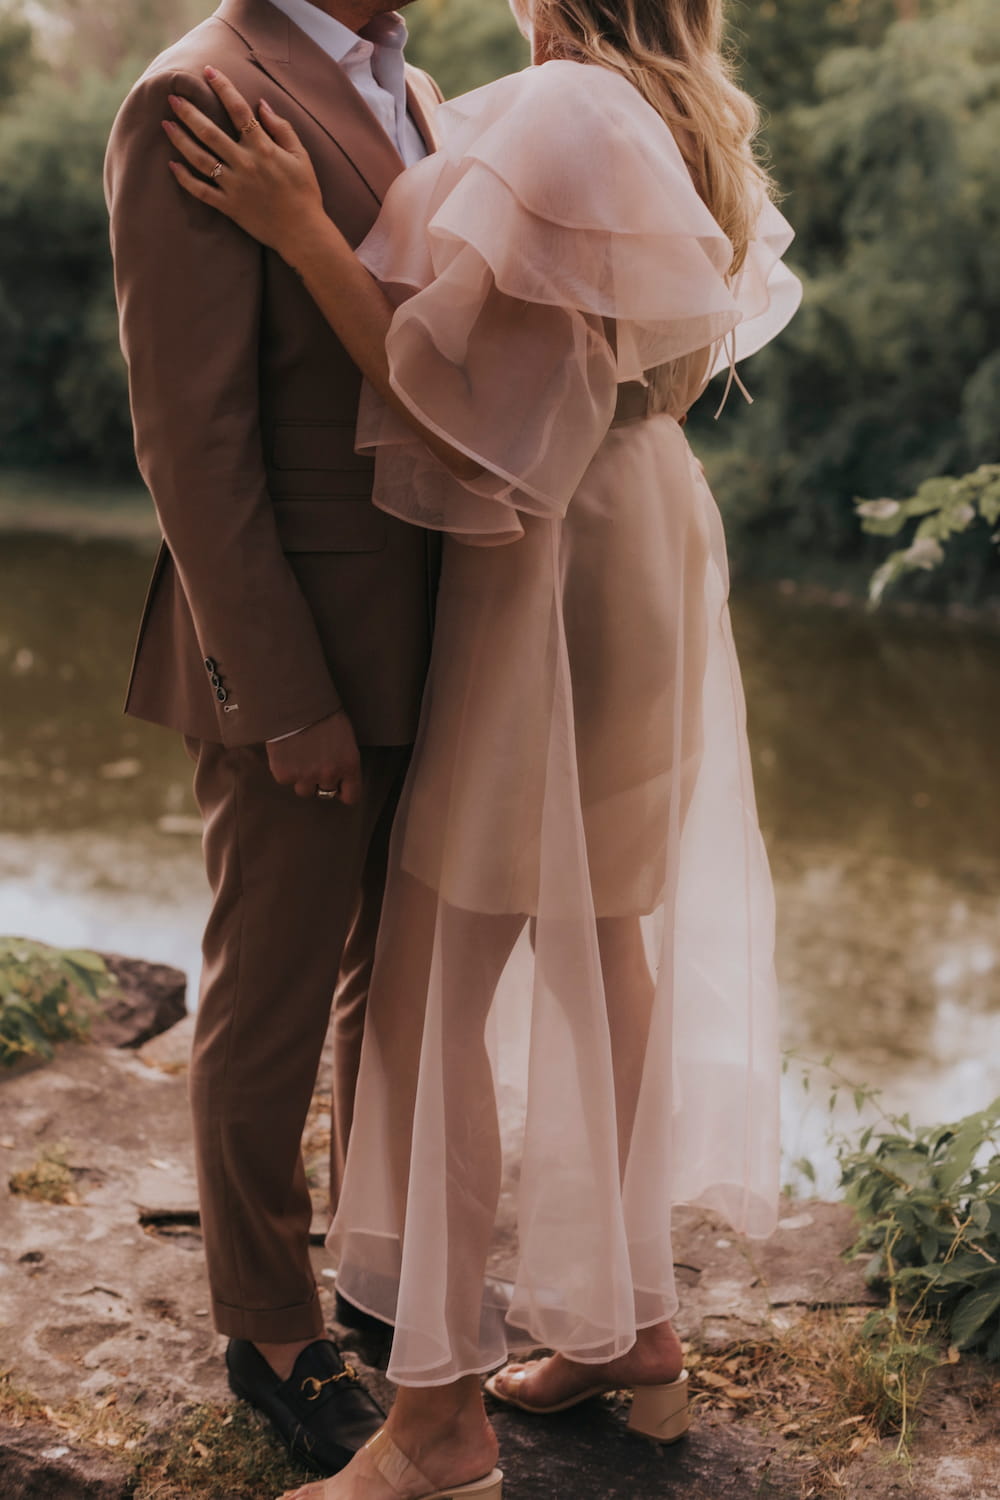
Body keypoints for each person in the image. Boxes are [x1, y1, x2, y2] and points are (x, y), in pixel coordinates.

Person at [164, 0, 802, 1491]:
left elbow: (456, 398)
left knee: (430, 988)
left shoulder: (548, 112)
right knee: (608, 938)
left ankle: (435, 1422)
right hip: (645, 531)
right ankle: (634, 1325)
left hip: (551, 561)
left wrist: (295, 226)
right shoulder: (688, 110)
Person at [104, 0, 444, 1475]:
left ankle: (370, 1277)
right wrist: (283, 691)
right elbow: (194, 436)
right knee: (271, 996)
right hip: (300, 640)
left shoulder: (409, 81)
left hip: (438, 631)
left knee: (397, 980)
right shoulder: (194, 91)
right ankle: (272, 1328)